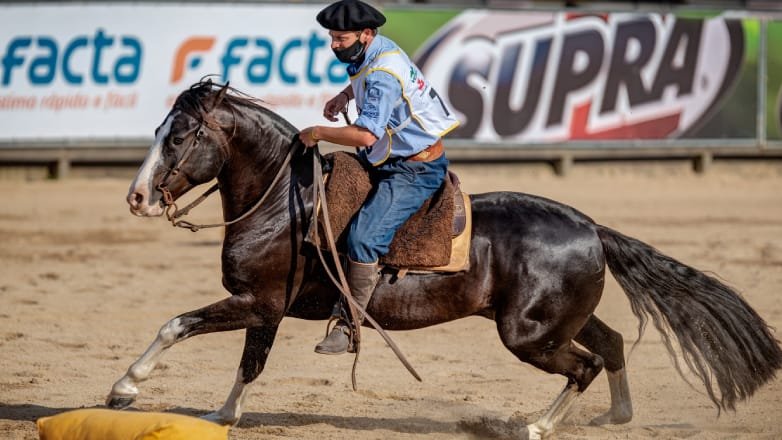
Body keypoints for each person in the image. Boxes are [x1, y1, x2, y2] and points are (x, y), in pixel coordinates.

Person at [299, 0, 459, 355]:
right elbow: (364, 85)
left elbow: (366, 136)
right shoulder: (375, 51)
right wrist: (344, 95)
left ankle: (349, 325)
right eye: (332, 37)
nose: (334, 45)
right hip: (391, 157)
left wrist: (318, 132)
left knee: (363, 237)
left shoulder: (384, 74)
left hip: (413, 169)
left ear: (365, 34)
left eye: (340, 38)